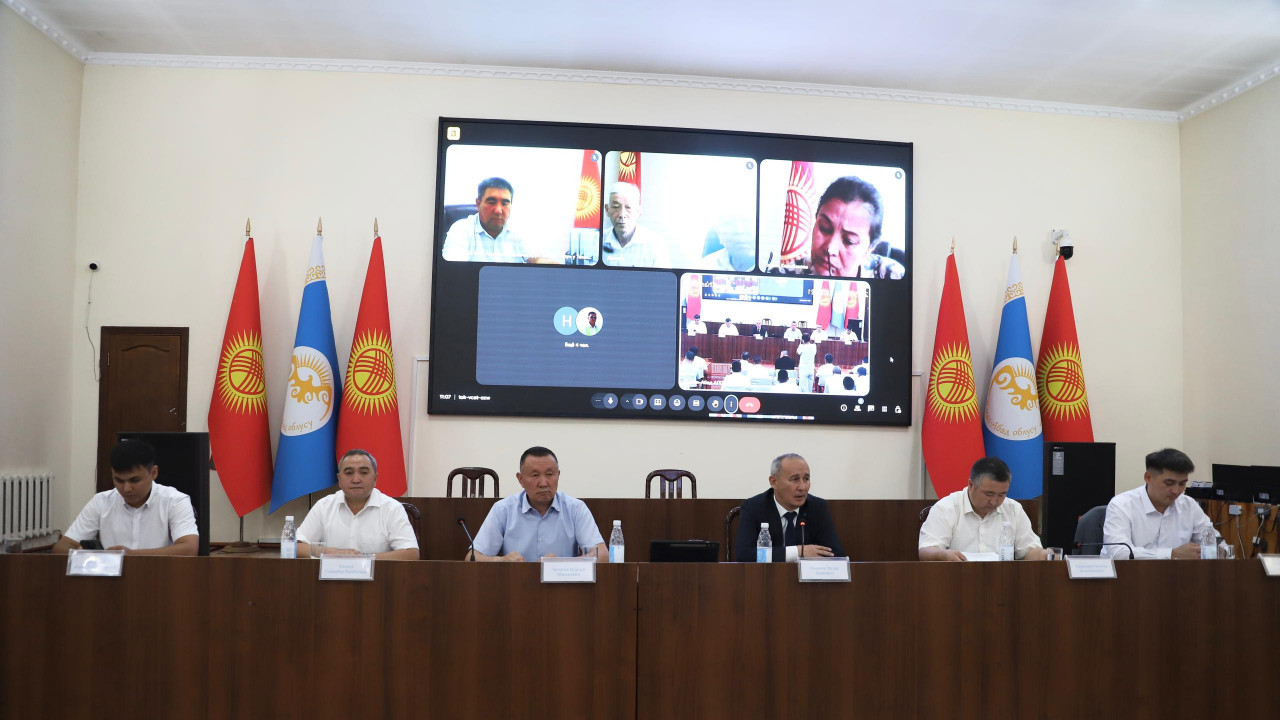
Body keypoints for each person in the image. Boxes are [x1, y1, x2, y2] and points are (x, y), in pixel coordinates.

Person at [53, 440, 198, 556]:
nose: (126, 488)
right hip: (109, 579)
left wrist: (131, 556)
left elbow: (189, 548)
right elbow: (61, 547)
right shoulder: (101, 501)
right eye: (119, 480)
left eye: (134, 480)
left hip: (160, 576)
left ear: (154, 473)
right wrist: (87, 555)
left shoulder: (175, 500)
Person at [469, 447, 606, 561]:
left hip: (562, 584)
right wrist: (501, 560)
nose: (543, 483)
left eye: (549, 474)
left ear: (558, 475)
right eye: (535, 475)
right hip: (515, 582)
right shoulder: (503, 509)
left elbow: (603, 555)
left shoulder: (575, 508)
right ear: (520, 479)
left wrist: (560, 564)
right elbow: (472, 557)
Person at [296, 449, 419, 560]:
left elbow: (411, 554)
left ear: (375, 479)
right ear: (339, 479)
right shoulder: (324, 506)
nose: (356, 480)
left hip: (378, 576)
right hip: (330, 577)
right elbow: (296, 547)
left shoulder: (392, 508)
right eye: (349, 473)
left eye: (364, 472)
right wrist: (335, 554)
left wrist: (364, 559)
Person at [919, 457, 1046, 561]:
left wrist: (1044, 555)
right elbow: (926, 550)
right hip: (957, 578)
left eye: (1001, 495)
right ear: (971, 485)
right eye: (989, 494)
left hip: (1002, 579)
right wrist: (944, 555)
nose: (994, 501)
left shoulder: (1013, 509)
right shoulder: (946, 508)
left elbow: (1029, 551)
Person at [1102, 448, 1215, 559]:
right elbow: (1119, 553)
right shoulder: (1121, 505)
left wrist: (1215, 550)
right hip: (1129, 571)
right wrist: (1172, 554)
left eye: (1182, 484)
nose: (1176, 491)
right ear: (1148, 478)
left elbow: (1216, 544)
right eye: (1169, 483)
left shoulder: (1189, 505)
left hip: (1178, 571)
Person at [733, 453, 846, 561]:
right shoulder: (753, 507)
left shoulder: (818, 507)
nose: (802, 487)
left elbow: (836, 554)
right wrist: (797, 552)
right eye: (795, 479)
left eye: (806, 479)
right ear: (774, 482)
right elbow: (744, 555)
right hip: (767, 574)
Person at [809, 176, 905, 279]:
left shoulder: (892, 275)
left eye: (849, 241)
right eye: (824, 228)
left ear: (870, 248)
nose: (830, 248)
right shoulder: (796, 270)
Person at [442, 177, 533, 263]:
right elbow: (453, 268)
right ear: (478, 204)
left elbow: (537, 259)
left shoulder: (519, 230)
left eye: (505, 203)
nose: (498, 210)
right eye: (491, 202)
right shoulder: (461, 229)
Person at [602, 182, 671, 267]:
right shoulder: (596, 241)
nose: (622, 214)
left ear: (638, 211)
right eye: (616, 207)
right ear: (607, 209)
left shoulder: (655, 244)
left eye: (628, 207)